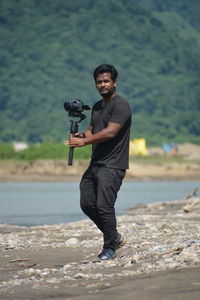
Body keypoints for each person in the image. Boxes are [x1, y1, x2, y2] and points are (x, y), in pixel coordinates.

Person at [69, 64, 132, 260]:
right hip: (96, 163)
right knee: (87, 203)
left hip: (113, 164)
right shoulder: (97, 106)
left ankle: (109, 248)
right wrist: (83, 135)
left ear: (114, 82)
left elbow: (111, 131)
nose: (102, 84)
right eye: (99, 82)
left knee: (104, 206)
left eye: (106, 81)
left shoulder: (121, 105)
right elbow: (92, 129)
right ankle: (114, 237)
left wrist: (84, 141)